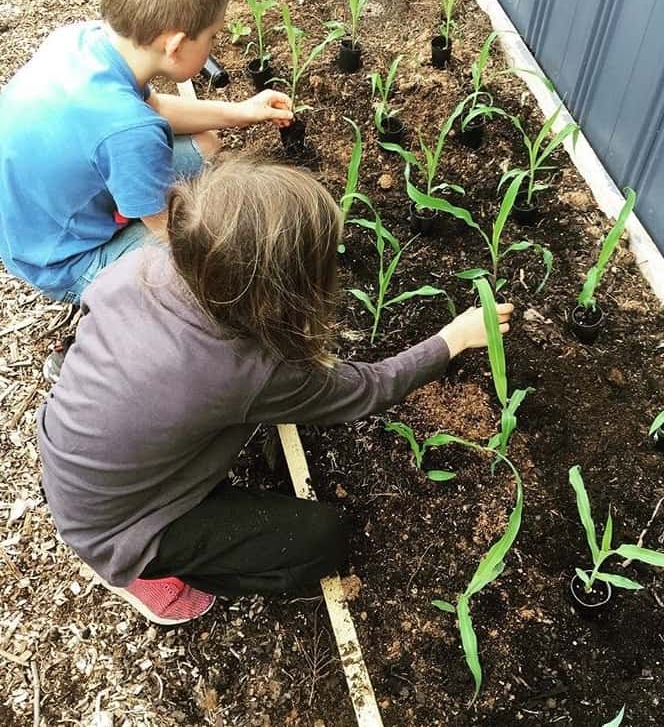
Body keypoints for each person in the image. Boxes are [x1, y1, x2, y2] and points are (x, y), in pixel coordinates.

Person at [37, 160, 514, 626]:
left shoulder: (139, 264)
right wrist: (453, 339)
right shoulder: (250, 369)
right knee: (321, 541)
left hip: (71, 457)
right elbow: (370, 388)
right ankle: (142, 573)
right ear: (276, 287)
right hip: (119, 526)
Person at [0, 0, 293, 380]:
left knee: (205, 143)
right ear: (174, 45)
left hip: (31, 216)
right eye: (212, 37)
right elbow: (170, 236)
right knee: (187, 291)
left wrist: (242, 112)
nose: (215, 44)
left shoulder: (82, 41)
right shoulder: (129, 133)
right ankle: (87, 351)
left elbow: (154, 109)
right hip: (62, 258)